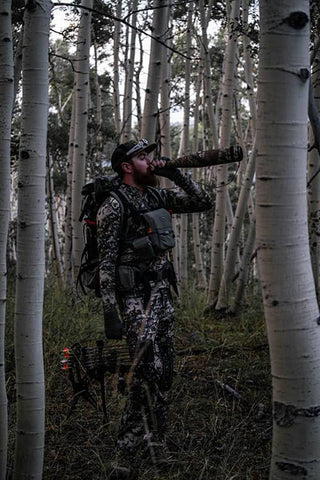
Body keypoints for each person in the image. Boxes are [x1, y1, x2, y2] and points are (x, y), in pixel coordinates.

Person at [96, 138, 213, 478]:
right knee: (145, 370)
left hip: (162, 294)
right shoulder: (113, 205)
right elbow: (106, 263)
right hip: (134, 299)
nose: (151, 161)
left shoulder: (156, 195)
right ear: (127, 167)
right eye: (143, 157)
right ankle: (126, 451)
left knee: (165, 372)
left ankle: (156, 443)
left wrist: (176, 173)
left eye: (150, 155)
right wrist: (110, 312)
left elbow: (202, 202)